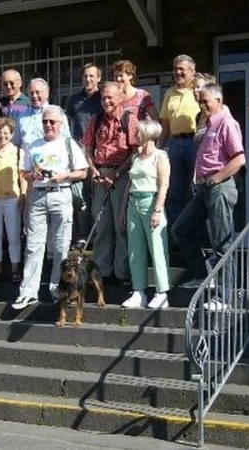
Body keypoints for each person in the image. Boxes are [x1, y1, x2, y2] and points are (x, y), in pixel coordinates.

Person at [171, 83, 246, 311]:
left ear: (218, 100)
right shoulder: (208, 123)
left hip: (219, 186)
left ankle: (225, 296)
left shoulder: (227, 123)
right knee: (180, 229)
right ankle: (204, 273)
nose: (202, 105)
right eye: (200, 102)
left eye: (206, 101)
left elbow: (239, 159)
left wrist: (216, 179)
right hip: (204, 187)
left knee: (222, 242)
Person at [12, 106, 89, 310]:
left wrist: (65, 176)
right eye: (45, 121)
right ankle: (28, 292)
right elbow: (25, 173)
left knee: (61, 245)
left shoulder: (68, 143)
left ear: (60, 124)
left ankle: (59, 289)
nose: (48, 125)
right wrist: (32, 176)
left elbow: (83, 172)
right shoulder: (34, 145)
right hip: (38, 195)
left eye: (52, 122)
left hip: (61, 193)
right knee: (33, 245)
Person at [81, 81, 139, 284]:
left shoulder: (129, 119)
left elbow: (136, 151)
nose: (105, 101)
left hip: (122, 174)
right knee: (101, 225)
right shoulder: (95, 120)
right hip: (100, 174)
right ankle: (102, 271)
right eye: (103, 97)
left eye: (110, 97)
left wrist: (118, 172)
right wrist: (93, 170)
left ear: (121, 98)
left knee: (121, 225)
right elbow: (88, 148)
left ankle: (123, 272)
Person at [119, 120, 171, 309]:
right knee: (135, 249)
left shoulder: (160, 156)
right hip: (134, 203)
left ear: (149, 134)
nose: (136, 135)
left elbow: (164, 185)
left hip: (151, 202)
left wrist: (157, 210)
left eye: (139, 132)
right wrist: (123, 208)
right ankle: (138, 291)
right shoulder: (135, 157)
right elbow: (130, 183)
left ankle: (161, 292)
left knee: (157, 248)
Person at [158, 54, 201, 226]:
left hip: (195, 143)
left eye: (181, 69)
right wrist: (159, 149)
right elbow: (165, 124)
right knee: (174, 190)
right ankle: (177, 232)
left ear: (192, 71)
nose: (177, 73)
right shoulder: (170, 93)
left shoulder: (198, 89)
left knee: (195, 190)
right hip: (175, 144)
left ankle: (195, 233)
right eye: (175, 69)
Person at [65, 62, 104, 246]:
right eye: (85, 76)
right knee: (80, 197)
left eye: (92, 76)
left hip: (99, 152)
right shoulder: (74, 99)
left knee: (96, 196)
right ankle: (82, 234)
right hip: (79, 152)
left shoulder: (103, 98)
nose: (88, 79)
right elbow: (66, 123)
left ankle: (98, 234)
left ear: (98, 78)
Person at [0, 117, 27, 283]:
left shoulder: (18, 153)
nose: (2, 136)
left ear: (12, 134)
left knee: (14, 235)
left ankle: (15, 271)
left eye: (6, 132)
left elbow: (22, 175)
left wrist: (23, 194)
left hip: (12, 199)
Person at [14, 78, 70, 149]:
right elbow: (16, 142)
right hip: (27, 155)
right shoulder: (22, 116)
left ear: (47, 93)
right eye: (31, 93)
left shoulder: (57, 113)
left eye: (37, 92)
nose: (34, 96)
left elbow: (66, 140)